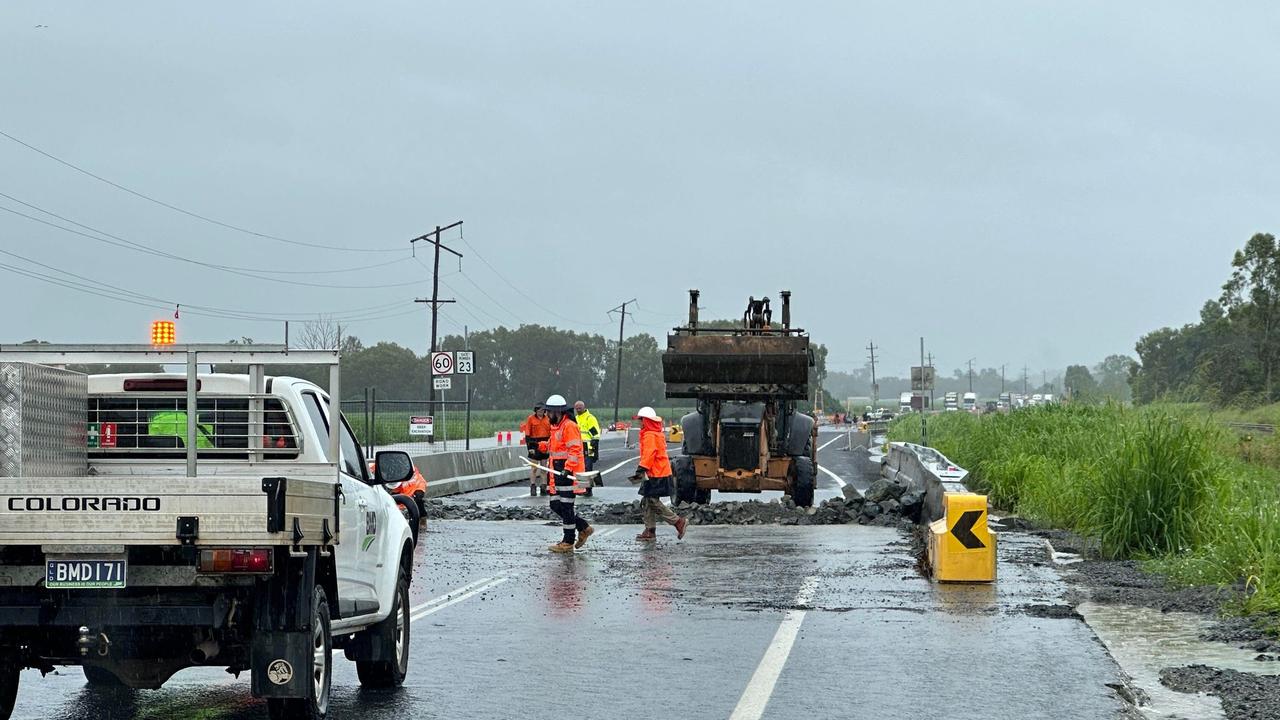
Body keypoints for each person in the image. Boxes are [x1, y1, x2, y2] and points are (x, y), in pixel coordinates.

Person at [541, 394, 594, 553]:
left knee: (566, 506)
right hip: (557, 470)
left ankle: (568, 541)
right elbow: (556, 448)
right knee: (556, 504)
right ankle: (583, 527)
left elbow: (575, 449)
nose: (547, 416)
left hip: (566, 472)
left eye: (549, 412)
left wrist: (568, 468)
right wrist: (541, 446)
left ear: (557, 412)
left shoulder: (569, 426)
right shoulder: (556, 426)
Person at [629, 406, 687, 542]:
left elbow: (649, 454)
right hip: (657, 471)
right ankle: (650, 530)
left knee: (652, 501)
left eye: (641, 419)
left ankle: (678, 522)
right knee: (648, 500)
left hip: (656, 473)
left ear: (647, 420)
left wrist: (641, 469)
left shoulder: (650, 435)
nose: (640, 422)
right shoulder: (655, 433)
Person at [520, 404, 552, 496]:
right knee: (534, 467)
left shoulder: (548, 419)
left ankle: (543, 486)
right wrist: (529, 448)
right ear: (536, 411)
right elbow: (527, 434)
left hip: (545, 444)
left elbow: (551, 432)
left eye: (542, 410)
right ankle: (533, 486)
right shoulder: (531, 419)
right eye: (539, 410)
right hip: (534, 443)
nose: (540, 412)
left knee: (544, 467)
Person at [573, 401, 601, 472]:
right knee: (580, 467)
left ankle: (589, 482)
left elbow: (595, 433)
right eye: (577, 409)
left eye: (580, 408)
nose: (578, 410)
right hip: (579, 446)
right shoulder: (575, 418)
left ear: (584, 408)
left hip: (589, 446)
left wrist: (595, 444)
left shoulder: (589, 418)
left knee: (588, 466)